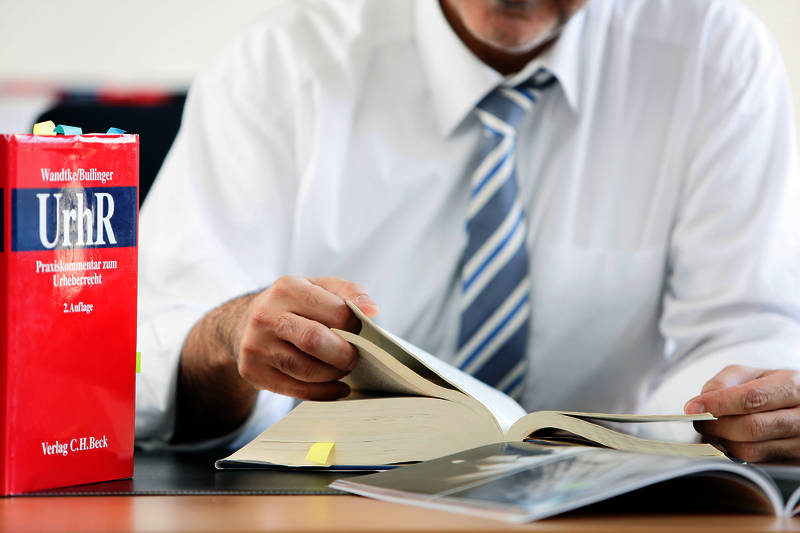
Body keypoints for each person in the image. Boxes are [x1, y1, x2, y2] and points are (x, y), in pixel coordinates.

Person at [136, 0, 800, 461]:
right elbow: (153, 354)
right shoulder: (282, 63)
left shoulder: (714, 60)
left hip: (621, 504)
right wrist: (231, 336)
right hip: (331, 500)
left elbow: (742, 328)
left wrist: (746, 402)